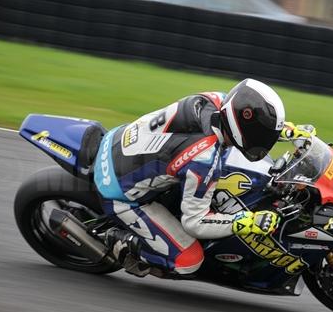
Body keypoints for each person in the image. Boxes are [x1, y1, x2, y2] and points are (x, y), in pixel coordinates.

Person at [93, 78, 315, 278]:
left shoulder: (217, 100)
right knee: (188, 261)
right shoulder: (204, 159)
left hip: (122, 141)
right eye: (263, 135)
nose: (265, 142)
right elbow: (195, 223)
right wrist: (246, 222)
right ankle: (119, 242)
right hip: (122, 191)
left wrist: (286, 131)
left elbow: (246, 121)